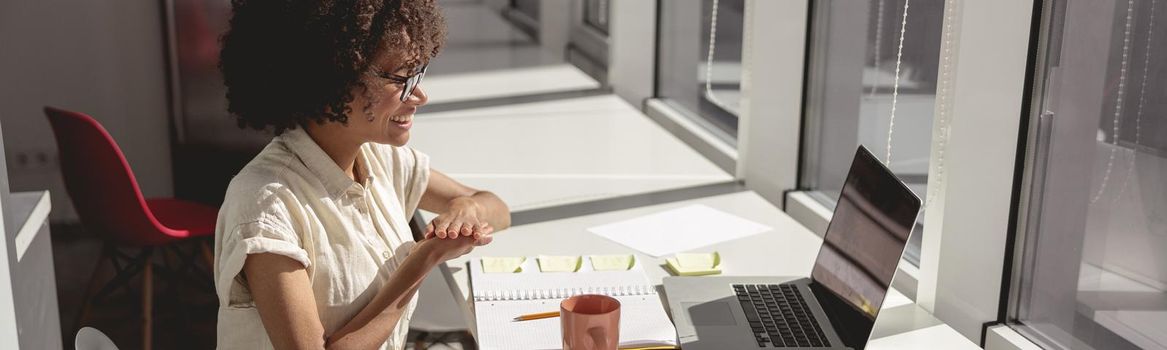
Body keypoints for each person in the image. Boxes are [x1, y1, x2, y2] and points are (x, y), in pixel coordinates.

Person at [213, 1, 510, 349]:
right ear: (331, 80)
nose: (420, 96)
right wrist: (423, 259)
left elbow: (495, 207)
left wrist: (464, 209)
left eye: (418, 73)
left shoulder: (379, 158)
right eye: (400, 78)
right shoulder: (266, 206)